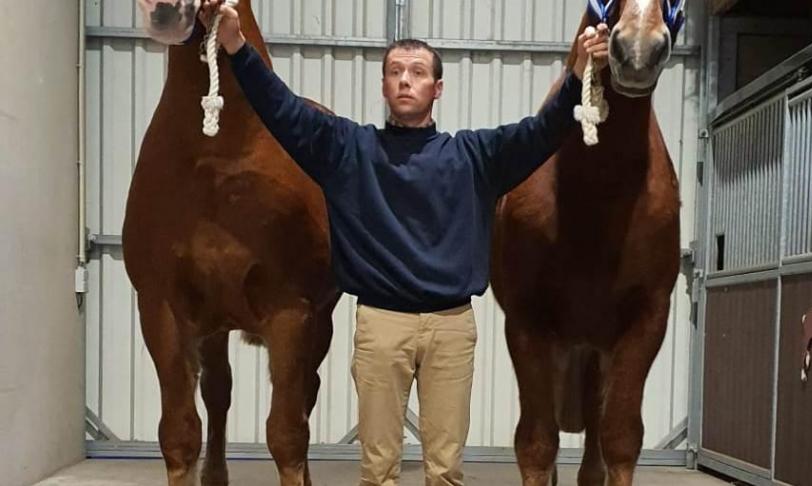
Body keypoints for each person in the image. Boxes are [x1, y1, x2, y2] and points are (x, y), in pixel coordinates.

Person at [198, 2, 609, 484]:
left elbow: (540, 134)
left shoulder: (476, 157)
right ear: (384, 86)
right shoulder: (347, 151)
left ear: (438, 88)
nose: (405, 80)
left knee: (445, 471)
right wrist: (235, 46)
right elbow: (281, 108)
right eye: (395, 72)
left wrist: (578, 76)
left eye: (417, 72)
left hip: (451, 329)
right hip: (380, 326)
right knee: (377, 470)